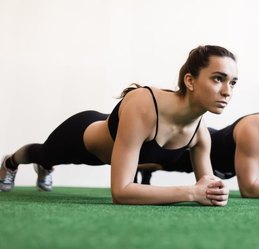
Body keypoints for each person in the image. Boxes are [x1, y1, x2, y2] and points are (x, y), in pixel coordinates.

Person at [0, 45, 239, 206]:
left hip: (117, 149)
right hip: (82, 137)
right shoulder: (144, 105)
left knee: (45, 157)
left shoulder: (200, 135)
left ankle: (44, 165)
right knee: (41, 153)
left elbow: (207, 186)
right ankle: (10, 162)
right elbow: (121, 192)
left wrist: (216, 193)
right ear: (190, 80)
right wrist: (191, 192)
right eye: (218, 79)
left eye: (233, 82)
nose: (227, 92)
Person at [139, 85, 259, 200]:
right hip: (190, 148)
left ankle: (146, 169)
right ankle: (146, 167)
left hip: (213, 167)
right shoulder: (256, 127)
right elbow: (249, 188)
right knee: (114, 145)